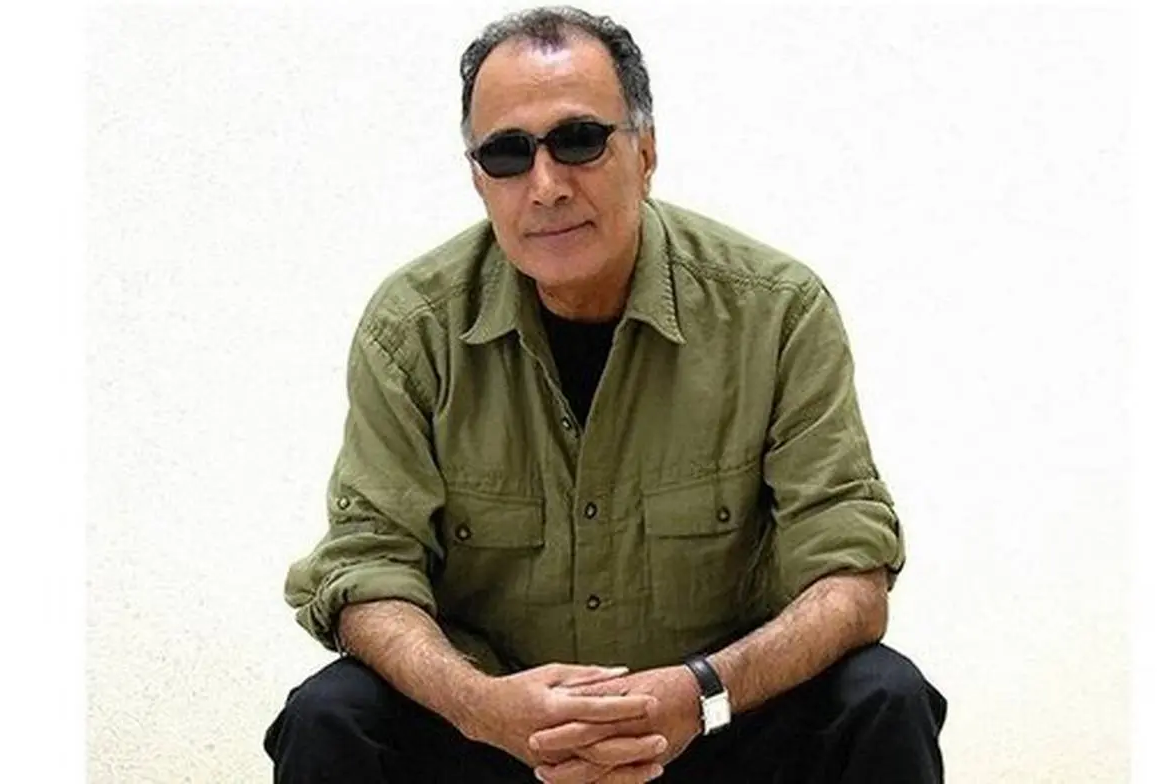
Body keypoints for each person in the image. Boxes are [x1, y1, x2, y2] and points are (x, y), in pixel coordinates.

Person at [264, 6, 947, 783]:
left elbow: (852, 578)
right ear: (478, 177)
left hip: (711, 727)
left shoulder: (777, 314)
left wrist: (701, 694)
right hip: (494, 739)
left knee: (883, 696)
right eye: (507, 154)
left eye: (580, 141)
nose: (546, 186)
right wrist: (480, 706)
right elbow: (368, 570)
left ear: (646, 152)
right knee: (331, 714)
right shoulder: (412, 331)